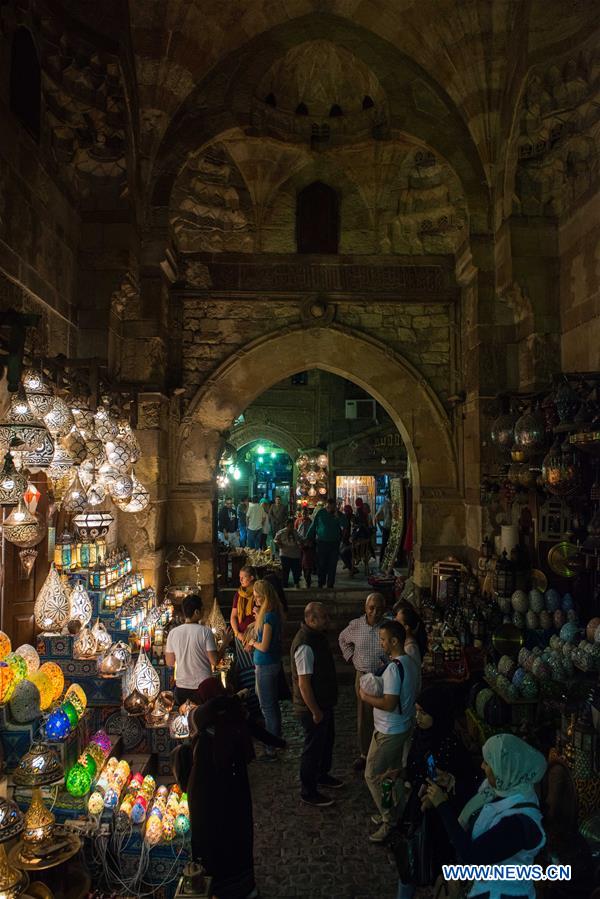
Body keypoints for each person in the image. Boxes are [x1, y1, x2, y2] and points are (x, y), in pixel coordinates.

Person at [187, 678, 285, 899]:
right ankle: (244, 887)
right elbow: (258, 732)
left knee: (215, 840)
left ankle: (217, 888)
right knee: (238, 837)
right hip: (236, 791)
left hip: (209, 795)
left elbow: (195, 716)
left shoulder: (206, 723)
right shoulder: (234, 718)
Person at [426, 733, 547, 899]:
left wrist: (442, 806)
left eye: (488, 763)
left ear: (505, 769)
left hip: (504, 894)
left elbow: (472, 855)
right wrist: (450, 783)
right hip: (485, 887)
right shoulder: (501, 788)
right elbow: (477, 810)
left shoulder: (519, 822)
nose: (482, 766)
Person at [394, 685, 480, 899]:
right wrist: (400, 773)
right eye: (416, 711)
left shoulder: (451, 746)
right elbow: (418, 768)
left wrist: (446, 788)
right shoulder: (421, 735)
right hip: (419, 810)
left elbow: (466, 785)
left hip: (441, 820)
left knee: (437, 869)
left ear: (438, 714)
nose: (418, 717)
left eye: (423, 713)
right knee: (410, 866)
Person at [360, 619, 418, 843]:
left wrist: (365, 697)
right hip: (401, 726)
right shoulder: (410, 662)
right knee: (391, 775)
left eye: (383, 639)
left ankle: (389, 820)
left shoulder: (394, 669)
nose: (381, 643)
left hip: (389, 730)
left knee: (372, 774)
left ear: (394, 641)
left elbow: (389, 703)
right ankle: (399, 811)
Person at [290, 601, 343, 807]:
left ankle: (322, 774)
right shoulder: (305, 644)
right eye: (324, 617)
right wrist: (315, 711)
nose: (327, 620)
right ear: (311, 620)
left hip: (323, 702)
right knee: (312, 749)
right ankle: (308, 790)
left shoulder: (315, 637)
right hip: (313, 708)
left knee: (326, 741)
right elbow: (304, 683)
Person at [338, 593, 387, 771]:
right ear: (365, 608)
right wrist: (351, 658)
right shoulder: (356, 625)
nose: (375, 612)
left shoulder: (388, 626)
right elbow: (342, 639)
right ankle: (365, 753)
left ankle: (381, 752)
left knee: (383, 714)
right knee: (364, 716)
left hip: (384, 676)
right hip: (364, 676)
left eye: (379, 609)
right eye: (371, 608)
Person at [165, 594, 231, 705]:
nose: (204, 611)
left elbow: (170, 662)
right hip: (203, 688)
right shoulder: (205, 632)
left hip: (182, 689)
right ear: (196, 612)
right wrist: (225, 643)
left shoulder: (173, 633)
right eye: (203, 609)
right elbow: (214, 661)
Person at [245, 579, 284, 758]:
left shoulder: (268, 617)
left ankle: (271, 746)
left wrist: (253, 642)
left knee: (267, 706)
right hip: (269, 664)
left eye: (257, 596)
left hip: (266, 665)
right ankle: (275, 739)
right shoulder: (270, 614)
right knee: (271, 705)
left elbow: (265, 645)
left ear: (264, 596)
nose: (255, 599)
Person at [229, 566, 260, 714]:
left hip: (254, 637)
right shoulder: (238, 595)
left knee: (255, 671)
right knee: (244, 671)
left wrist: (250, 637)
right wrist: (237, 633)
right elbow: (233, 616)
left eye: (244, 577)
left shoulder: (258, 593)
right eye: (240, 577)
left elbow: (260, 619)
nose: (240, 580)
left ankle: (258, 704)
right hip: (241, 638)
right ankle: (250, 704)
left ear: (252, 578)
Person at [306, 497, 345, 589]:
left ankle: (330, 584)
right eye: (329, 507)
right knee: (321, 563)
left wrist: (337, 515)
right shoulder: (321, 513)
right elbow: (314, 526)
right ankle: (321, 582)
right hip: (322, 543)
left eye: (332, 507)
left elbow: (345, 524)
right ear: (326, 506)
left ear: (335, 507)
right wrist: (308, 538)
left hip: (334, 543)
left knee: (332, 564)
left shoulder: (338, 514)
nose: (330, 509)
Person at [274, 517, 303, 588]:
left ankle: (296, 583)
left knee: (296, 571)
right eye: (289, 526)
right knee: (285, 572)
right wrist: (278, 543)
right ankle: (285, 585)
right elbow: (275, 540)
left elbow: (301, 539)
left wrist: (301, 543)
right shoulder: (281, 532)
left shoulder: (296, 532)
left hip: (295, 555)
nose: (291, 528)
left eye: (292, 526)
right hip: (285, 554)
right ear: (286, 525)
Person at [296, 507, 315, 587]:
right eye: (303, 513)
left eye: (306, 513)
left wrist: (310, 542)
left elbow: (313, 533)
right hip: (300, 545)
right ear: (301, 513)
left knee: (307, 563)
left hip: (308, 545)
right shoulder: (298, 521)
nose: (304, 515)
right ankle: (301, 576)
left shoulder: (311, 522)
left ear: (308, 514)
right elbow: (295, 531)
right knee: (300, 562)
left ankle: (308, 579)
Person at [375, 494, 393, 567]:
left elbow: (376, 517)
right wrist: (380, 527)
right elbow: (377, 517)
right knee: (387, 545)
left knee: (384, 545)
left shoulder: (384, 504)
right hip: (388, 527)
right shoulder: (388, 505)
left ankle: (382, 561)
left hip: (386, 527)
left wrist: (380, 527)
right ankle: (384, 561)